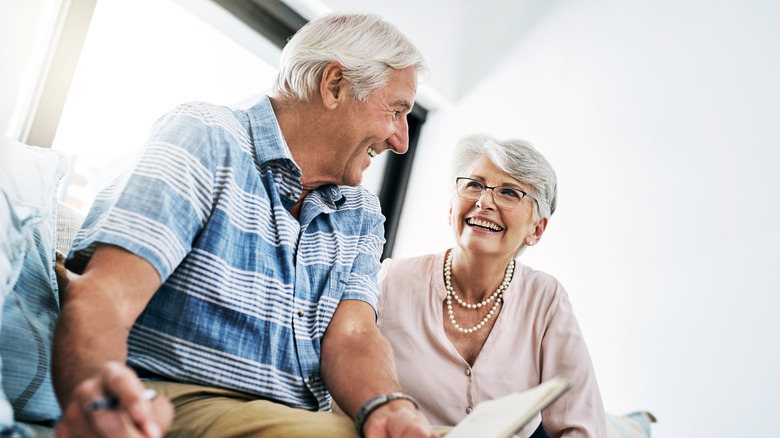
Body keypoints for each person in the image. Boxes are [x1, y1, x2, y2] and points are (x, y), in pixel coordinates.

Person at [53, 12, 437, 438]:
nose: (401, 140)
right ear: (335, 86)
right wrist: (99, 400)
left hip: (291, 420)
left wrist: (388, 406)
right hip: (178, 399)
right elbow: (109, 292)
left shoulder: (361, 213)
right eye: (397, 110)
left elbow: (353, 336)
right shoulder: (206, 136)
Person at [377, 134, 607, 437]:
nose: (484, 201)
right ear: (450, 208)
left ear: (536, 229)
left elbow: (583, 426)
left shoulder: (547, 300)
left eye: (509, 192)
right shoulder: (393, 280)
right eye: (474, 185)